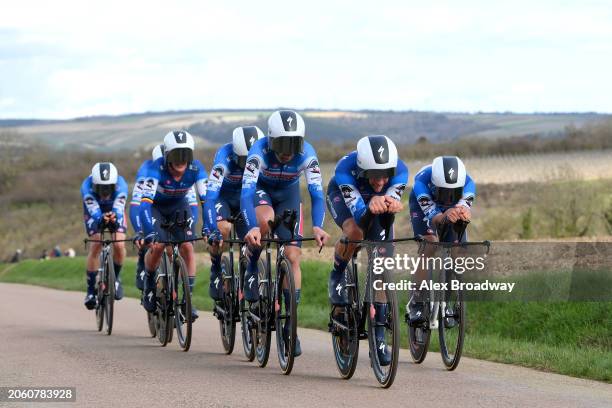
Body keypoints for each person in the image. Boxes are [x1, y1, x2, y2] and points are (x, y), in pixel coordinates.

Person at [240, 110, 330, 357]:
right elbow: (246, 193)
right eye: (282, 143)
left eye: (294, 143)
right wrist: (251, 227)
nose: (288, 150)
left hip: (289, 195)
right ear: (270, 140)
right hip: (262, 192)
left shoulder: (308, 155)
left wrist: (318, 225)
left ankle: (290, 322)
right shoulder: (257, 152)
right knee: (266, 221)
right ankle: (251, 263)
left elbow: (316, 194)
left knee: (293, 254)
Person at [326, 135, 408, 365]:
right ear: (362, 168)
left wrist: (393, 204)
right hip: (346, 198)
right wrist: (370, 206)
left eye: (385, 175)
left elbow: (387, 206)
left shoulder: (400, 171)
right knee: (355, 233)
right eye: (373, 175)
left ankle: (378, 336)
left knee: (382, 263)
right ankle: (337, 271)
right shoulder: (345, 170)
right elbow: (362, 218)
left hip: (375, 205)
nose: (381, 181)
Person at [139, 131, 207, 321]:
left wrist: (209, 226)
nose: (181, 161)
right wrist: (150, 232)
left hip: (179, 206)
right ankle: (150, 282)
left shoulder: (196, 168)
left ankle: (188, 299)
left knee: (187, 246)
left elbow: (206, 200)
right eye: (176, 156)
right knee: (159, 245)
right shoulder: (155, 168)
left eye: (186, 155)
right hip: (156, 208)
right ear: (167, 156)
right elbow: (145, 204)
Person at [407, 156, 475, 326]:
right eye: (444, 192)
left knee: (456, 252)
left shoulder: (468, 184)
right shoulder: (421, 183)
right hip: (425, 207)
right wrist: (445, 214)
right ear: (435, 185)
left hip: (450, 211)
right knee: (429, 245)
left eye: (454, 192)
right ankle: (418, 301)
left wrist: (464, 214)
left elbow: (463, 211)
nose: (448, 197)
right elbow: (436, 219)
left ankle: (446, 302)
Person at [203, 126, 264, 301]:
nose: (249, 165)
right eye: (244, 160)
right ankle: (216, 267)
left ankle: (249, 276)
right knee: (223, 229)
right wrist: (211, 226)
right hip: (224, 199)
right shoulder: (224, 158)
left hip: (247, 199)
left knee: (256, 235)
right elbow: (210, 197)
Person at [130, 144, 200, 292]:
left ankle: (183, 294)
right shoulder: (147, 173)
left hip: (176, 208)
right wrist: (140, 231)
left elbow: (193, 204)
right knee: (154, 243)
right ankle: (144, 266)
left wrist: (190, 229)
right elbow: (137, 206)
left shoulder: (186, 175)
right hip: (153, 208)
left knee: (182, 246)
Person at [81, 162, 128, 309]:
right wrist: (101, 219)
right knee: (96, 244)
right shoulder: (86, 186)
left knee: (119, 244)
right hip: (94, 212)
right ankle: (91, 291)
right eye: (101, 188)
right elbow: (93, 210)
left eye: (108, 187)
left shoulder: (122, 184)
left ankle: (116, 278)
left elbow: (119, 208)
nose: (105, 192)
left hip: (115, 210)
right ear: (94, 184)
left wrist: (114, 217)